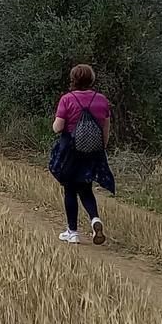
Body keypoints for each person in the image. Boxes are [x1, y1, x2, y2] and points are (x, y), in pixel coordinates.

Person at [50, 64, 114, 245]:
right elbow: (106, 130)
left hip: (71, 151)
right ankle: (94, 219)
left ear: (74, 79)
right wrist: (100, 148)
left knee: (70, 189)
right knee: (86, 187)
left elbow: (58, 128)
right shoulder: (102, 100)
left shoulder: (67, 99)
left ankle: (73, 232)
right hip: (93, 151)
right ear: (91, 79)